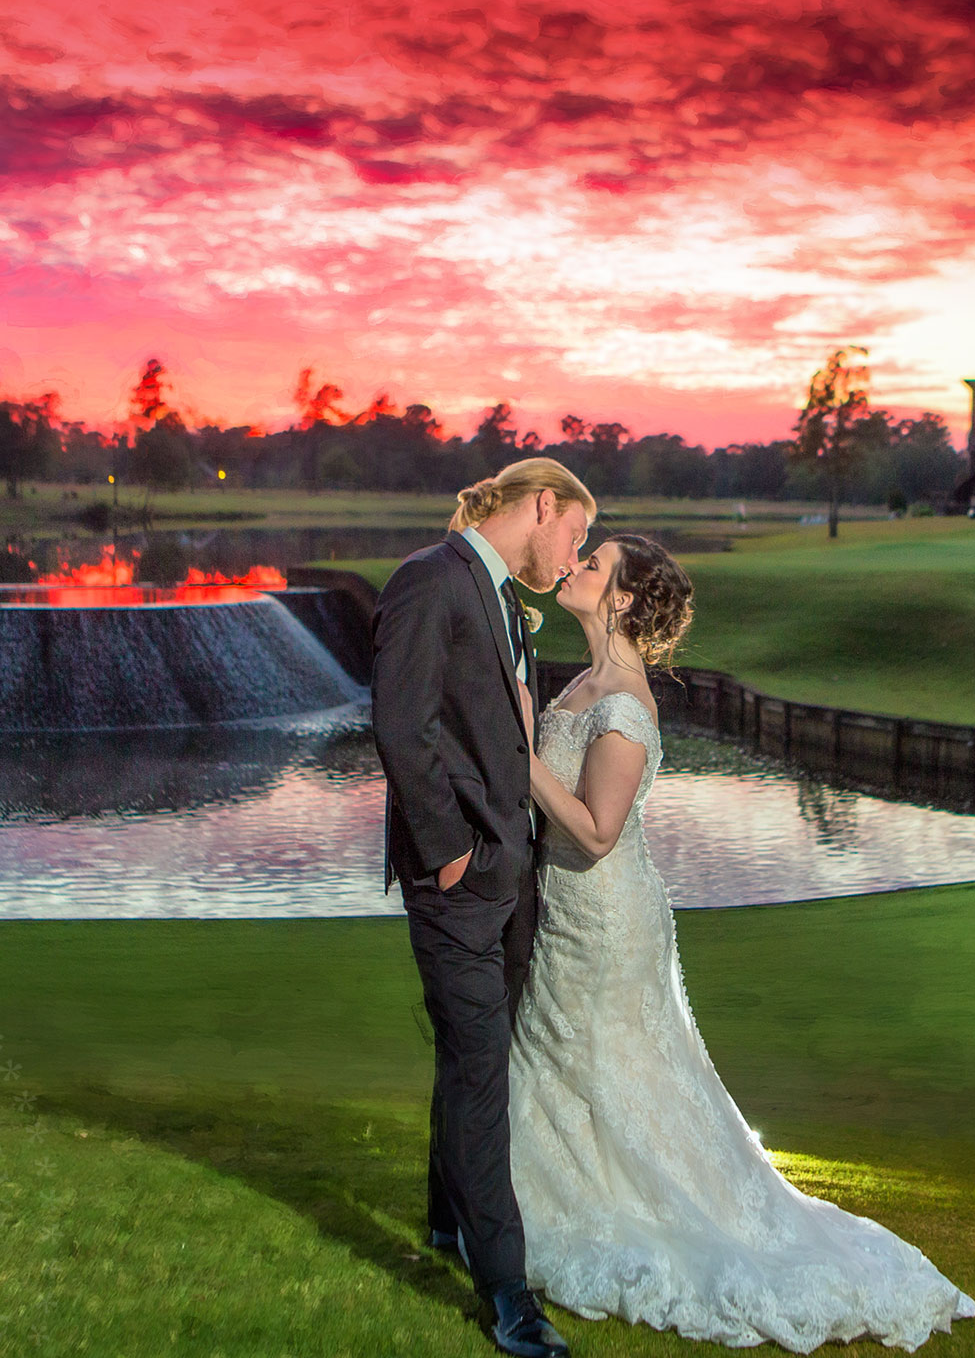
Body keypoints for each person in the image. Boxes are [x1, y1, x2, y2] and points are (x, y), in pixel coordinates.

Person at [509, 534, 975, 1353]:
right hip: (562, 912)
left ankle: (651, 1215)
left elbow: (595, 831)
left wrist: (518, 760)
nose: (575, 566)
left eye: (594, 564)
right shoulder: (582, 682)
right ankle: (544, 1196)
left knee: (621, 1071)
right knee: (563, 1064)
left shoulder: (624, 703)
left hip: (607, 916)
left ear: (620, 598)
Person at [371, 457, 594, 1358]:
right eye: (576, 530)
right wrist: (449, 853)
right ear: (542, 505)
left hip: (510, 873)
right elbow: (401, 726)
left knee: (475, 1059)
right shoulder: (432, 579)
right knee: (479, 1069)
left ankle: (442, 1219)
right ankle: (508, 1293)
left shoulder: (502, 598)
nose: (576, 550)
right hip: (460, 881)